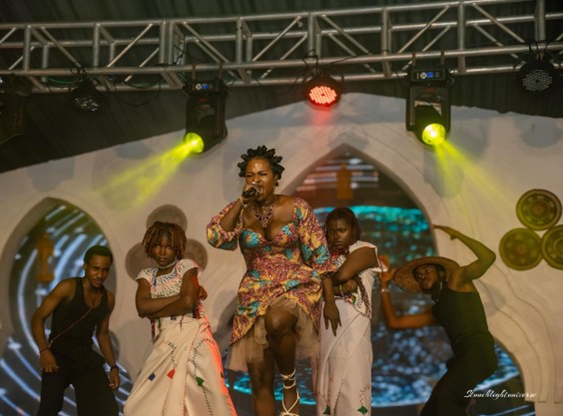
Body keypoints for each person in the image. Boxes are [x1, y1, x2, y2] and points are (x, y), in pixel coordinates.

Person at [206, 145, 339, 416]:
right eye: (250, 175)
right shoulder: (241, 212)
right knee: (259, 379)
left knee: (277, 321)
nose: (256, 180)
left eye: (262, 174)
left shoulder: (296, 207)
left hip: (294, 285)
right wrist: (241, 202)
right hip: (254, 293)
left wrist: (330, 300)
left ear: (276, 176)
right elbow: (216, 237)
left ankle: (289, 383)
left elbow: (320, 255)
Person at [378, 225, 498, 416]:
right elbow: (395, 322)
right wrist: (384, 286)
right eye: (419, 276)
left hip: (479, 353)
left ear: (441, 273)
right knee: (431, 410)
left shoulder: (458, 281)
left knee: (444, 399)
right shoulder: (436, 311)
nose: (422, 276)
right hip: (462, 359)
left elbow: (488, 258)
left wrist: (458, 234)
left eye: (427, 270)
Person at [124, 222, 236, 416]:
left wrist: (157, 308)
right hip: (165, 341)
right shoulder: (146, 276)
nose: (162, 252)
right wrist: (181, 296)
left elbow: (188, 303)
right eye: (157, 245)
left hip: (195, 337)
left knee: (211, 397)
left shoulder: (186, 266)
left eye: (168, 247)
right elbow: (142, 307)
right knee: (136, 405)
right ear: (150, 246)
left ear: (177, 247)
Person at [30, 245, 119, 416]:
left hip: (85, 357)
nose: (100, 275)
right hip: (58, 357)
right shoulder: (68, 287)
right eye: (95, 268)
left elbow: (102, 334)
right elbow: (37, 318)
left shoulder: (108, 298)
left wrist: (113, 367)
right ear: (85, 266)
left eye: (105, 270)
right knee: (48, 409)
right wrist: (44, 351)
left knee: (107, 410)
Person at [315, 207, 382, 416]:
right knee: (327, 381)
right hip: (325, 324)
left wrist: (323, 281)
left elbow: (341, 275)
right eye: (331, 231)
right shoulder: (323, 255)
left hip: (354, 325)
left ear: (353, 229)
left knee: (353, 381)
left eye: (342, 230)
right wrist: (335, 290)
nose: (336, 236)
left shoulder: (365, 250)